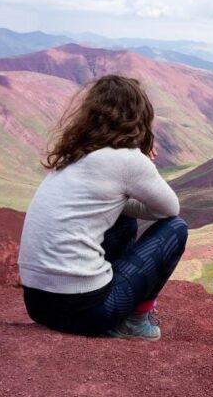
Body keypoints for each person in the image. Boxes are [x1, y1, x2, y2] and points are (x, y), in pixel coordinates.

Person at [18, 74, 188, 341]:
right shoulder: (128, 160)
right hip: (87, 311)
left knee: (124, 218)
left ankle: (111, 296)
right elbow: (169, 210)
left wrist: (120, 202)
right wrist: (142, 159)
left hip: (38, 306)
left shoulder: (75, 155)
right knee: (176, 229)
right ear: (140, 116)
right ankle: (134, 322)